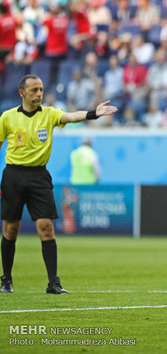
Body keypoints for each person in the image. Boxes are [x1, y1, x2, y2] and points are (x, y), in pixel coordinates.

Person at [0, 75, 117, 294]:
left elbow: (71, 117)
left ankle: (53, 282)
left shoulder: (50, 114)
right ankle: (6, 280)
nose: (38, 94)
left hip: (39, 176)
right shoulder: (7, 118)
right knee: (10, 229)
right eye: (34, 90)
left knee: (46, 228)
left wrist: (93, 113)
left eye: (41, 89)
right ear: (21, 93)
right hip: (13, 175)